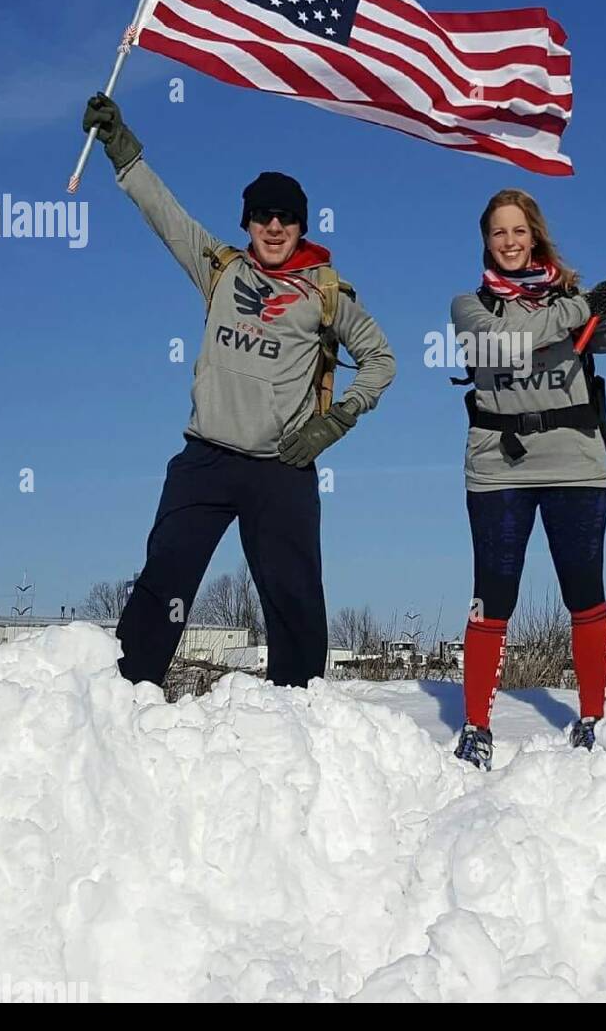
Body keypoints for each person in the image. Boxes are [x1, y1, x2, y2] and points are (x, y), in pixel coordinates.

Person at [80, 92, 395, 690]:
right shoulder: (220, 270)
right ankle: (126, 698)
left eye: (286, 217)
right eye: (262, 216)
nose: (274, 227)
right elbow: (164, 212)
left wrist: (336, 422)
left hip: (283, 468)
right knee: (164, 578)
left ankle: (297, 713)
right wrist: (119, 144)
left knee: (294, 600)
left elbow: (381, 360)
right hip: (206, 459)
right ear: (246, 222)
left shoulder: (327, 294)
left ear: (302, 225)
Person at [450, 190, 606, 768]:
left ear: (535, 235)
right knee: (491, 598)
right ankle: (476, 727)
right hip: (498, 468)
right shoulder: (470, 308)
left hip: (576, 463)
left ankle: (592, 718)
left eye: (519, 230)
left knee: (584, 590)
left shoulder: (576, 303)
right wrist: (582, 307)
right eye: (498, 232)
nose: (510, 241)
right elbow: (508, 345)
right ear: (486, 242)